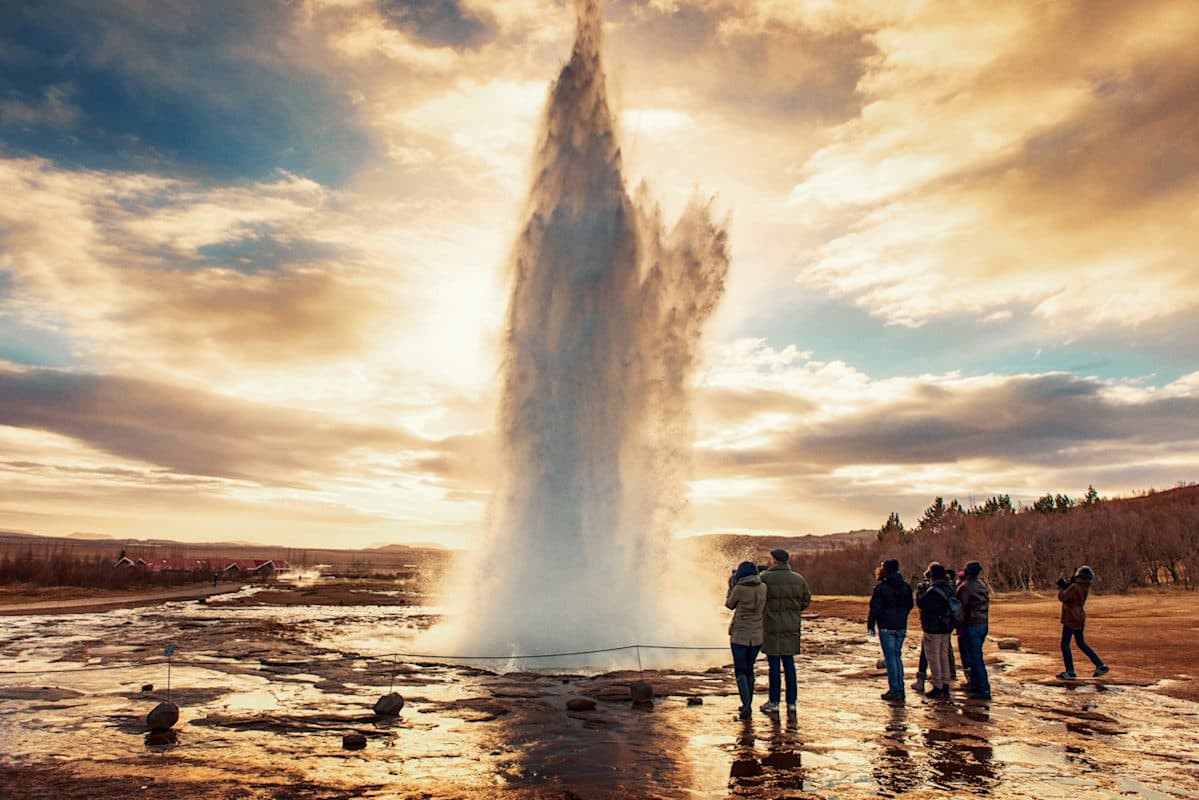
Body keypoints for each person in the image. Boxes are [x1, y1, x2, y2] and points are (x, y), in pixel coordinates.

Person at [758, 548, 812, 714]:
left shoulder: (765, 578)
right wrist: (793, 612)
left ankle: (774, 702)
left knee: (773, 665)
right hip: (791, 626)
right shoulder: (798, 579)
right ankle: (791, 703)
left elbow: (759, 599)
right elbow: (806, 601)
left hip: (771, 625)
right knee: (789, 664)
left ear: (774, 560)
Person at [867, 558, 913, 702]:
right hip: (900, 625)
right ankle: (900, 687)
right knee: (897, 657)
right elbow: (910, 604)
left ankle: (895, 689)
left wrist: (871, 624)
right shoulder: (905, 586)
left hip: (886, 626)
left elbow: (875, 607)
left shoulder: (881, 587)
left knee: (891, 658)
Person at [726, 561, 768, 719]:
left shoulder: (739, 589)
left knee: (740, 670)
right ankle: (748, 703)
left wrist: (731, 586)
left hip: (740, 635)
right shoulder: (763, 587)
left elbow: (729, 605)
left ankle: (746, 706)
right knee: (750, 669)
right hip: (757, 635)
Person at [1056, 565, 1109, 679]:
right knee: (1080, 642)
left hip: (1071, 617)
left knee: (1065, 644)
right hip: (1079, 616)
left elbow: (1063, 597)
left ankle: (1070, 671)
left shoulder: (1075, 587)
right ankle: (1100, 665)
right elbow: (1071, 595)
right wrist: (1067, 586)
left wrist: (1061, 587)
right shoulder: (1083, 587)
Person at [913, 564, 958, 693]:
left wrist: (920, 592)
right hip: (946, 626)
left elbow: (922, 603)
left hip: (933, 627)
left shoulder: (934, 590)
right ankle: (945, 684)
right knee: (944, 656)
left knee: (933, 657)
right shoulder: (950, 587)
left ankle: (937, 685)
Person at [957, 560, 992, 701]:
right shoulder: (982, 585)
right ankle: (977, 685)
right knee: (976, 656)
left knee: (975, 658)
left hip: (971, 625)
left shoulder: (965, 587)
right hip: (983, 624)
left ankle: (983, 688)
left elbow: (959, 608)